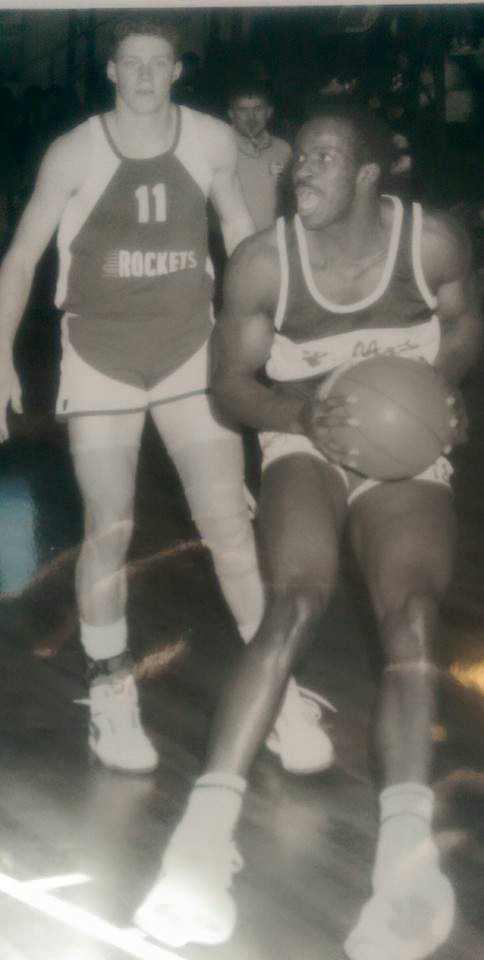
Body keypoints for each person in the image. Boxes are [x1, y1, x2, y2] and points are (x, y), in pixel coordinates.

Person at [134, 102, 481, 959]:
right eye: (302, 159)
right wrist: (301, 416)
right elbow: (230, 384)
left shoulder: (432, 242)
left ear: (367, 173)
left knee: (412, 615)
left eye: (324, 157)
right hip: (303, 435)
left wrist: (439, 389)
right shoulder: (264, 261)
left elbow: (464, 323)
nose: (303, 171)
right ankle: (199, 847)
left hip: (400, 450)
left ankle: (405, 866)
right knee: (293, 601)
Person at [0, 16, 330, 776]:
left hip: (188, 350)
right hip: (102, 355)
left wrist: (271, 332)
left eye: (159, 63)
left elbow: (242, 235)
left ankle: (275, 693)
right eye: (132, 63)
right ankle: (110, 690)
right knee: (110, 525)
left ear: (177, 70)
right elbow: (20, 257)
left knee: (228, 523)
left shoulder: (211, 140)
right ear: (111, 71)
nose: (146, 76)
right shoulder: (74, 151)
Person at [228, 80, 292, 231]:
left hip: (274, 237)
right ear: (231, 114)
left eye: (258, 109)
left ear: (269, 112)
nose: (251, 118)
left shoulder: (283, 149)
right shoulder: (220, 149)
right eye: (243, 110)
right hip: (232, 240)